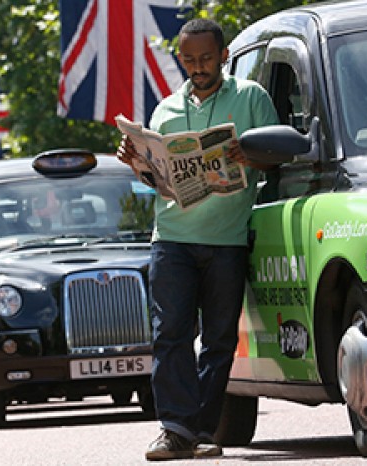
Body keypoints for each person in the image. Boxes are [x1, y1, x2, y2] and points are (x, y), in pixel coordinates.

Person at [116, 18, 279, 461]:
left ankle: (202, 430)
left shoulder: (251, 98)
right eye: (188, 60)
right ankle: (173, 428)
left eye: (206, 58)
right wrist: (137, 162)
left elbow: (276, 158)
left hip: (227, 239)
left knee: (219, 338)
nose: (197, 67)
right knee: (169, 333)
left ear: (224, 56)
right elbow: (155, 179)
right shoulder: (166, 110)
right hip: (171, 237)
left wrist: (252, 155)